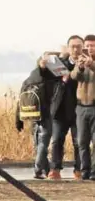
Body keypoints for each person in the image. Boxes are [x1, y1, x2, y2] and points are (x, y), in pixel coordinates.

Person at [40, 36, 83, 180]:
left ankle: (79, 169)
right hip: (60, 109)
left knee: (79, 142)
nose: (76, 49)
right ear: (68, 48)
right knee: (57, 140)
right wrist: (42, 66)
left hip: (79, 109)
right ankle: (55, 169)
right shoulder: (59, 64)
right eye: (73, 46)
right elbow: (46, 77)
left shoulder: (86, 64)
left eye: (78, 46)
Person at [16, 55, 57, 178]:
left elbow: (20, 102)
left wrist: (18, 121)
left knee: (38, 143)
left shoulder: (28, 80)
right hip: (44, 115)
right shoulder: (47, 81)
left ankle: (45, 168)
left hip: (31, 115)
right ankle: (38, 170)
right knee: (43, 143)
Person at [70, 35, 95, 180]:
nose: (90, 48)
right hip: (81, 108)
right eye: (88, 46)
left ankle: (94, 172)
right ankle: (85, 171)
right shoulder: (80, 60)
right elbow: (73, 76)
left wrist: (91, 64)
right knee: (82, 142)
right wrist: (79, 67)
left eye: (93, 46)